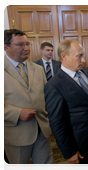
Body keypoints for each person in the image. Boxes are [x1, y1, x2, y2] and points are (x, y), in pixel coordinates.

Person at [44, 39, 88, 170]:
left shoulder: (87, 71)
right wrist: (69, 151)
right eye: (79, 56)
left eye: (83, 55)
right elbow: (57, 123)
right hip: (79, 145)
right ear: (64, 56)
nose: (83, 60)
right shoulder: (54, 86)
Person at [4, 29, 53, 170]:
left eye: (27, 44)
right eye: (20, 45)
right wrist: (17, 113)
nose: (26, 48)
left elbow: (46, 98)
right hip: (16, 134)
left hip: (42, 130)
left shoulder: (37, 69)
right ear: (5, 47)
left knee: (46, 167)